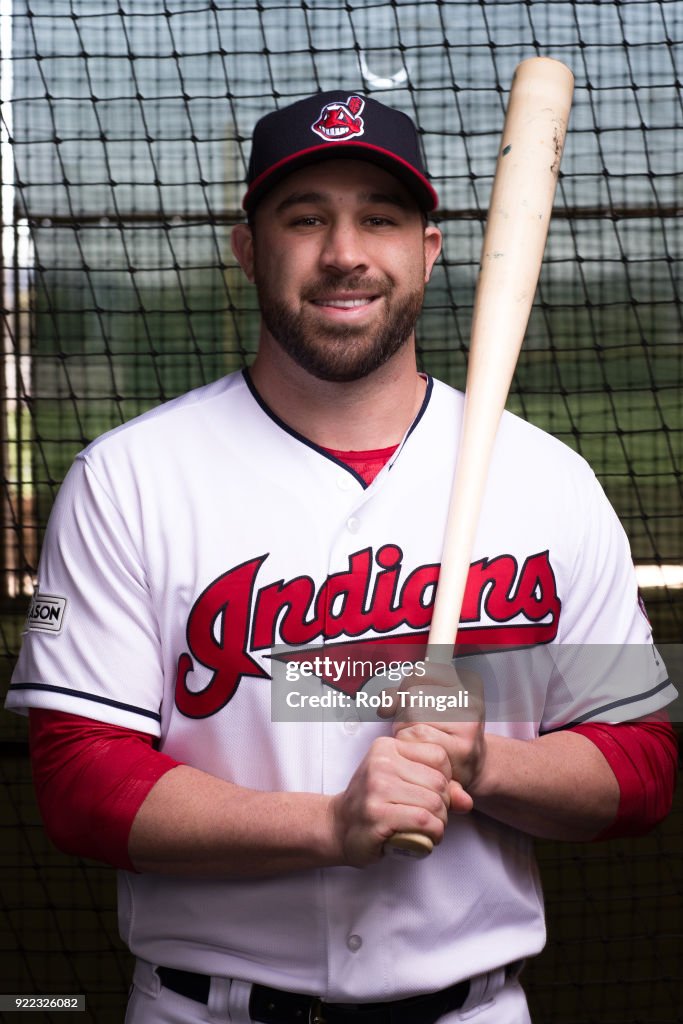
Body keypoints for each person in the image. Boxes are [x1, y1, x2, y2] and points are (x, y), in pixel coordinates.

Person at [6, 91, 678, 1024]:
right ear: (248, 248)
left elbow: (641, 763)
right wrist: (326, 826)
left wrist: (486, 765)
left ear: (429, 251)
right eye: (305, 218)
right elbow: (80, 778)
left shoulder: (548, 483)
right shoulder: (127, 479)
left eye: (381, 218)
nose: (345, 253)